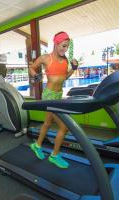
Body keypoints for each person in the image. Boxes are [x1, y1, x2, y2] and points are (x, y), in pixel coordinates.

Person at [29, 31, 78, 169]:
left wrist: (73, 69)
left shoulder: (65, 60)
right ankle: (54, 155)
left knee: (47, 123)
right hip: (49, 96)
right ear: (56, 44)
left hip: (58, 95)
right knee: (64, 127)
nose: (65, 49)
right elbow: (31, 68)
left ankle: (37, 145)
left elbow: (65, 77)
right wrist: (36, 76)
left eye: (67, 46)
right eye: (63, 45)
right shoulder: (46, 58)